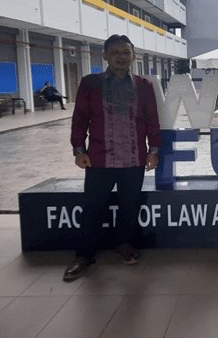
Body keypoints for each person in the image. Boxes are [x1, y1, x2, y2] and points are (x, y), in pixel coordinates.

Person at [64, 34, 161, 281]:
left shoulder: (143, 85)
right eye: (115, 52)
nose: (121, 57)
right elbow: (79, 119)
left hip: (134, 158)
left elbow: (151, 119)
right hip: (99, 159)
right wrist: (79, 150)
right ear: (105, 55)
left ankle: (125, 246)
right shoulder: (90, 83)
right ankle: (84, 255)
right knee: (93, 208)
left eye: (126, 52)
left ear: (133, 57)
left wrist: (153, 151)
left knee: (130, 206)